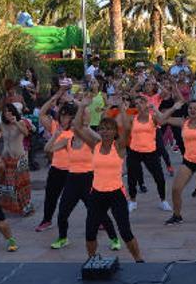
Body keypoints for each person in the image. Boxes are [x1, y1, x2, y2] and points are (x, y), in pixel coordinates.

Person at [48, 99, 121, 251]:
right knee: (62, 213)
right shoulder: (68, 140)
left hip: (89, 180)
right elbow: (48, 149)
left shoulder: (91, 140)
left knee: (99, 213)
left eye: (74, 120)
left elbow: (103, 139)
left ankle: (114, 238)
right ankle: (63, 238)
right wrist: (55, 136)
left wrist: (86, 126)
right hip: (72, 180)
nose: (72, 122)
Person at [73, 110, 144, 262]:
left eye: (108, 128)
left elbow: (127, 127)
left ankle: (139, 260)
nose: (104, 131)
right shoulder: (95, 145)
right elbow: (76, 128)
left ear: (114, 132)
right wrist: (83, 106)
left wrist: (121, 107)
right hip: (97, 194)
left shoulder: (119, 147)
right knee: (90, 231)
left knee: (125, 232)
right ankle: (91, 260)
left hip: (116, 194)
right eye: (102, 128)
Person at [125, 93, 181, 212]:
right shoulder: (132, 118)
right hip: (134, 151)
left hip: (150, 152)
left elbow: (163, 120)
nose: (138, 105)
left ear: (146, 104)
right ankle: (133, 201)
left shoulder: (153, 118)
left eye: (141, 103)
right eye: (136, 104)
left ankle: (163, 201)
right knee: (131, 178)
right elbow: (125, 132)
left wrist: (170, 108)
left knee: (159, 177)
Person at [35, 103, 75, 232]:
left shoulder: (77, 131)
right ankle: (47, 220)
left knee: (87, 197)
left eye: (68, 116)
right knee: (51, 196)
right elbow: (41, 113)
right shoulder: (55, 127)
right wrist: (57, 94)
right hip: (57, 169)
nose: (64, 119)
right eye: (62, 116)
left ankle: (101, 220)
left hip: (74, 171)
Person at [0, 104, 34, 216]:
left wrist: (15, 122)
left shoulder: (20, 123)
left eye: (10, 111)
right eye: (5, 111)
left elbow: (26, 133)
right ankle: (10, 207)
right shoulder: (2, 125)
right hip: (6, 158)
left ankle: (25, 207)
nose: (8, 113)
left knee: (22, 184)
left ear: (14, 112)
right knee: (7, 185)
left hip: (19, 158)